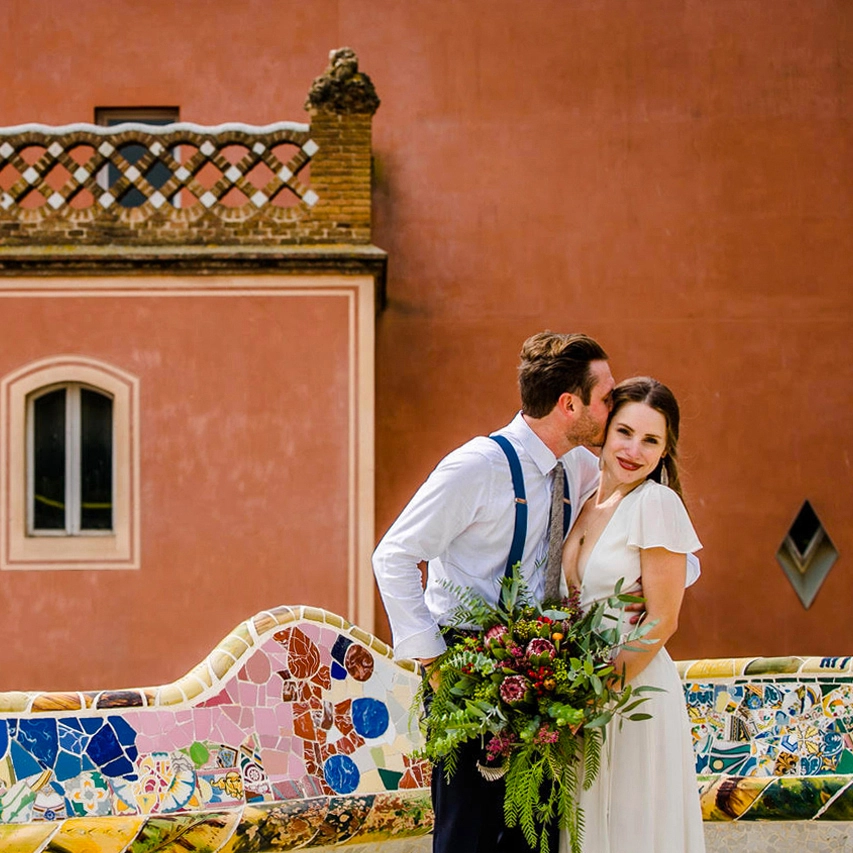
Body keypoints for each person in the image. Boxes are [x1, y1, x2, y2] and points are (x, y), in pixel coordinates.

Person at [373, 331, 614, 853]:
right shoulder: (475, 468)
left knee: (539, 836)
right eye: (607, 397)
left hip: (548, 679)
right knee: (467, 836)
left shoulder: (579, 465)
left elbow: (633, 505)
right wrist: (437, 664)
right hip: (467, 676)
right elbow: (392, 556)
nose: (613, 408)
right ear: (570, 405)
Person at [560, 377, 705, 853]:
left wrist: (594, 697)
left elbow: (663, 621)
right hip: (580, 700)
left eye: (651, 441)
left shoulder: (657, 504)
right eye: (625, 432)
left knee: (630, 829)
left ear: (665, 452)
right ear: (604, 431)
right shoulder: (585, 504)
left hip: (631, 695)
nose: (634, 450)